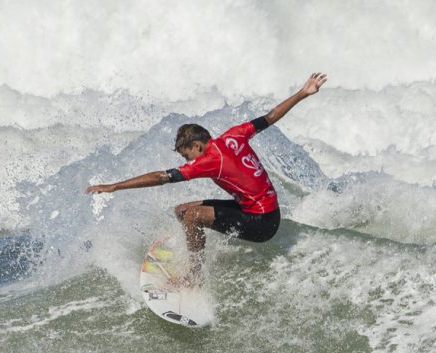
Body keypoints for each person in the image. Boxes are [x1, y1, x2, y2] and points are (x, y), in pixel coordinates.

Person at [87, 73, 327, 281]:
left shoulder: (210, 161)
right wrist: (303, 92)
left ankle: (194, 277)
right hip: (259, 210)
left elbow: (162, 177)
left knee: (191, 217)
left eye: (187, 155)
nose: (188, 162)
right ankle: (196, 248)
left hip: (263, 223)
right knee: (181, 211)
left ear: (197, 145)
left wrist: (115, 186)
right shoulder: (235, 135)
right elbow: (271, 116)